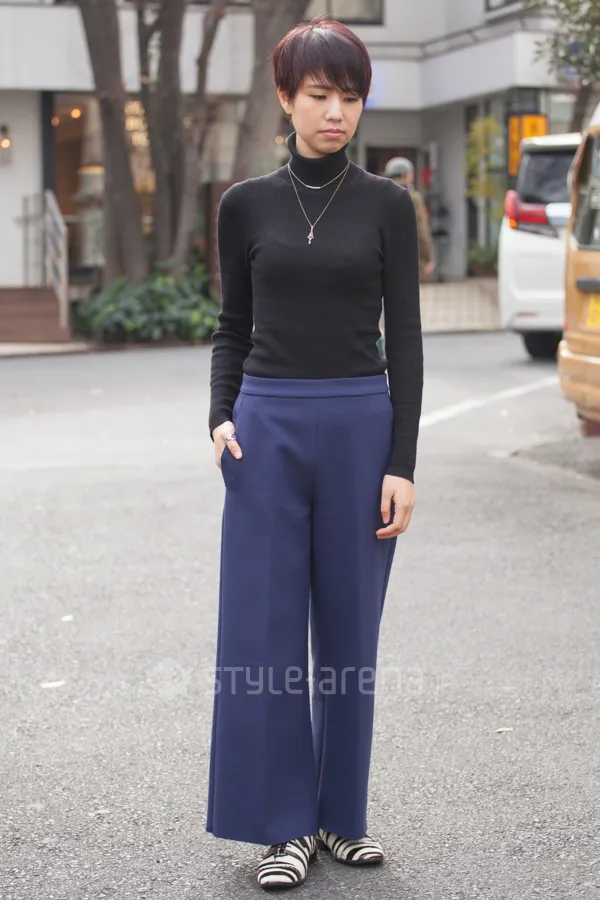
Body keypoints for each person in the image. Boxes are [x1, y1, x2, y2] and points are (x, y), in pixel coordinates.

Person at [207, 14, 423, 891]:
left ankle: (340, 817)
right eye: (320, 94)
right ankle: (282, 828)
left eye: (351, 96)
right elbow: (232, 326)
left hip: (360, 427)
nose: (337, 112)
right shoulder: (244, 205)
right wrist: (219, 416)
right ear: (286, 98)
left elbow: (406, 342)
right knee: (261, 634)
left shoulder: (388, 205)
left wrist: (402, 461)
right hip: (265, 430)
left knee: (349, 632)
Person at [384, 156, 435, 282]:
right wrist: (428, 258)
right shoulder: (413, 197)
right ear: (405, 174)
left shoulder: (378, 195)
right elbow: (421, 230)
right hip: (409, 258)